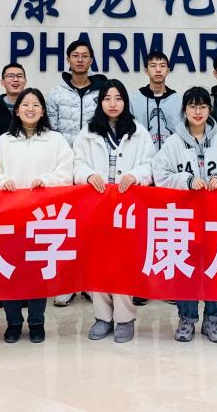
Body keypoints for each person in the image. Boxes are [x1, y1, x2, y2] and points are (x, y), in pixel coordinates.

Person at [153, 86, 217, 343]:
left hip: (216, 219)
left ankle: (213, 319)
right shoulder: (172, 143)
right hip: (184, 219)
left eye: (202, 106)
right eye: (192, 106)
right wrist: (186, 180)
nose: (198, 111)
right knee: (186, 269)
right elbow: (160, 175)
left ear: (209, 110)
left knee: (216, 267)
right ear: (185, 110)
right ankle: (187, 318)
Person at [0, 88, 73, 344]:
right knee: (9, 271)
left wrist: (46, 181)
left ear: (43, 111)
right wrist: (2, 181)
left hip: (42, 219)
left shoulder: (56, 140)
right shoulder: (3, 142)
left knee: (37, 272)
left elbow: (66, 173)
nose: (30, 109)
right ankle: (13, 323)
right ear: (17, 110)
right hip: (10, 218)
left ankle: (36, 322)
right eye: (25, 104)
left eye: (36, 105)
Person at [74, 80, 154, 343]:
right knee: (98, 263)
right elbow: (76, 164)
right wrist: (88, 175)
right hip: (97, 208)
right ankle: (102, 317)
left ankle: (125, 318)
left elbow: (150, 164)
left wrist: (135, 175)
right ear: (100, 103)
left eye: (118, 98)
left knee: (123, 264)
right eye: (107, 98)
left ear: (125, 102)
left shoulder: (139, 132)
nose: (112, 103)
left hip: (127, 209)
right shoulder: (87, 133)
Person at [46, 39, 106, 307]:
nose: (80, 60)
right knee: (66, 227)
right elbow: (50, 131)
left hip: (93, 170)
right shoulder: (56, 94)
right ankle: (67, 283)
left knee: (92, 228)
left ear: (91, 60)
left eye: (85, 56)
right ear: (68, 60)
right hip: (64, 170)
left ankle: (90, 282)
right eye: (75, 55)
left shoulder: (102, 92)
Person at [130, 51, 182, 151]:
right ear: (146, 71)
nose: (158, 70)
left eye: (162, 66)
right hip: (142, 157)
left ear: (168, 71)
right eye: (153, 66)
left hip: (172, 157)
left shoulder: (178, 100)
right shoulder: (135, 100)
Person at [0, 63, 28, 144]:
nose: (15, 79)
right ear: (2, 82)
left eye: (19, 76)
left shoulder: (33, 107)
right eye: (11, 76)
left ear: (25, 81)